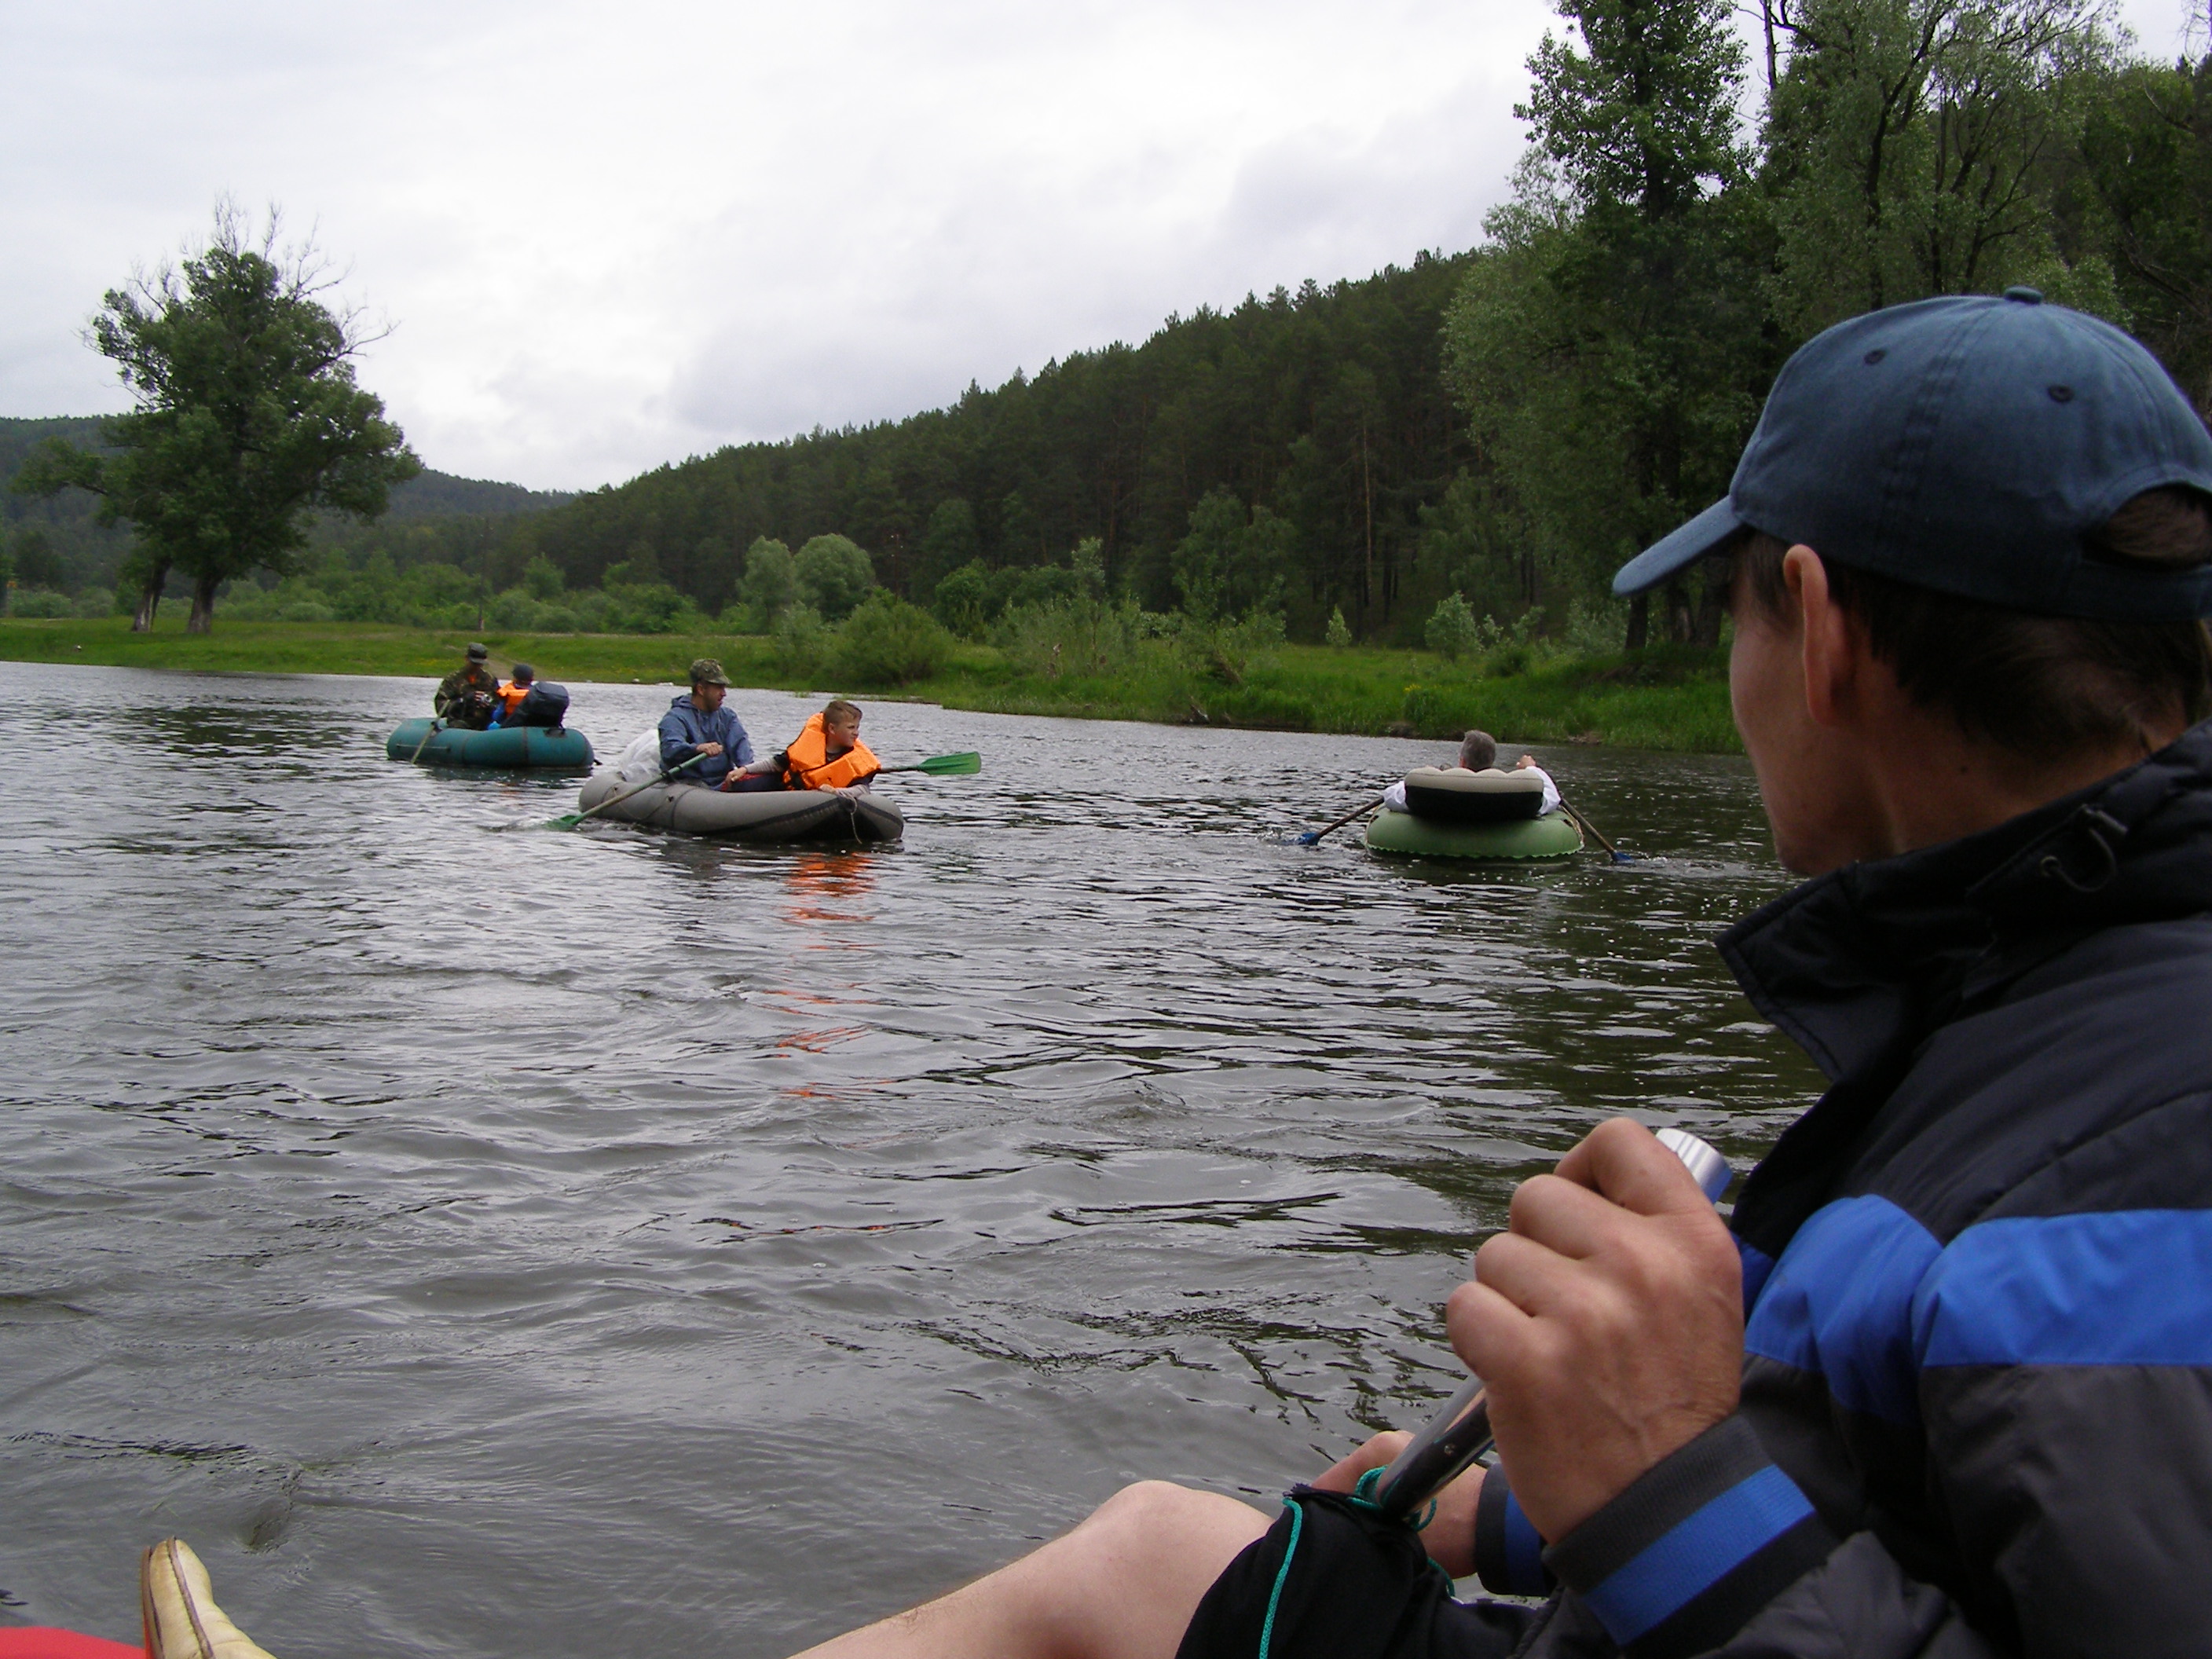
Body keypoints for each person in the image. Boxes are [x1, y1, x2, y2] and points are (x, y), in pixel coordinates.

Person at [779, 291, 2212, 1659]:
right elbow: (1898, 1490)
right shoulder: (2029, 1007)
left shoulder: (2143, 1158)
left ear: (1817, 628)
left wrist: (1660, 1486)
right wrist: (1523, 1504)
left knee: (1126, 1571)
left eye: (1730, 614)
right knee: (1149, 1553)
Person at [1381, 729, 1561, 815]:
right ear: (1491, 762)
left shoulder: (1437, 790)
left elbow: (1391, 796)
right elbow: (1552, 798)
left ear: (1462, 761)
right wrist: (1531, 768)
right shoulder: (1509, 793)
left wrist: (1433, 775)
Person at [749, 698, 881, 795]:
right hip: (786, 792)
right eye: (851, 728)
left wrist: (835, 792)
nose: (856, 733)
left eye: (857, 727)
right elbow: (776, 763)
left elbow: (862, 789)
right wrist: (744, 770)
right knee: (742, 785)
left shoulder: (856, 760)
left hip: (821, 803)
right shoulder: (809, 747)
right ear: (832, 729)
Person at [656, 658, 753, 790]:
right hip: (688, 784)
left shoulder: (728, 717)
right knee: (700, 787)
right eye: (719, 688)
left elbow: (742, 748)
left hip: (723, 782)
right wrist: (697, 749)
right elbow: (670, 749)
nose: (724, 694)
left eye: (724, 688)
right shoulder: (675, 718)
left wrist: (746, 769)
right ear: (701, 689)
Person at [433, 642, 499, 730]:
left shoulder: (490, 679)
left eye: (480, 664)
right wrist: (463, 701)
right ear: (466, 659)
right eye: (474, 663)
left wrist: (488, 704)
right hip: (460, 723)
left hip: (484, 723)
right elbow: (440, 708)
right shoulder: (453, 679)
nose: (476, 667)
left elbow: (498, 705)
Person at [485, 662, 534, 728]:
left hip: (509, 728)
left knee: (492, 726)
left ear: (515, 678)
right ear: (531, 679)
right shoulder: (536, 693)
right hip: (530, 728)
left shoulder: (507, 692)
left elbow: (497, 717)